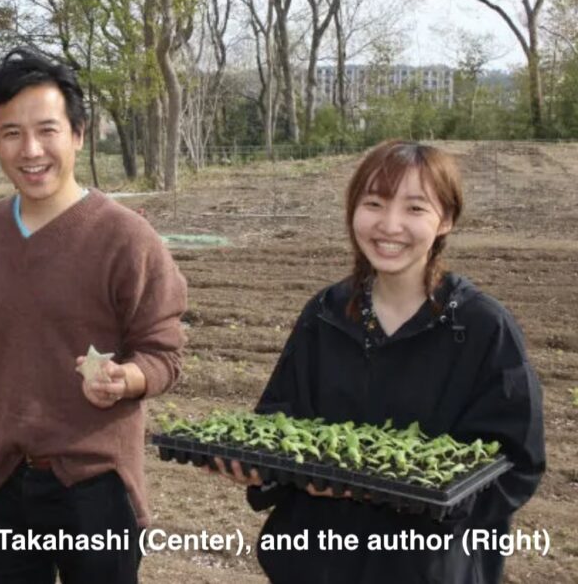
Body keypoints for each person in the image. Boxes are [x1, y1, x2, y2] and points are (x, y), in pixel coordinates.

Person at [0, 48, 187, 583]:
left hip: (95, 483)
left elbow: (163, 353)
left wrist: (127, 378)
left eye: (47, 130)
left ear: (78, 134)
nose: (30, 150)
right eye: (10, 133)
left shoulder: (125, 238)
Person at [214, 139, 545, 584]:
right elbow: (278, 418)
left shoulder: (482, 328)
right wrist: (267, 472)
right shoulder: (326, 314)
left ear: (445, 219)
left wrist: (426, 498)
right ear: (353, 210)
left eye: (414, 208)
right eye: (374, 203)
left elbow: (516, 463)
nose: (389, 225)